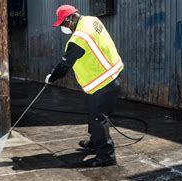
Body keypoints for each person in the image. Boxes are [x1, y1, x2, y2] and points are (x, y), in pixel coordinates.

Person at [46, 5, 124, 167]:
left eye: (64, 24)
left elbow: (64, 65)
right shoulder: (91, 20)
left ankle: (106, 156)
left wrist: (52, 78)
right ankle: (95, 142)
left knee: (98, 118)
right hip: (112, 74)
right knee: (94, 113)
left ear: (71, 18)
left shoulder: (79, 38)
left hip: (104, 81)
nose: (63, 27)